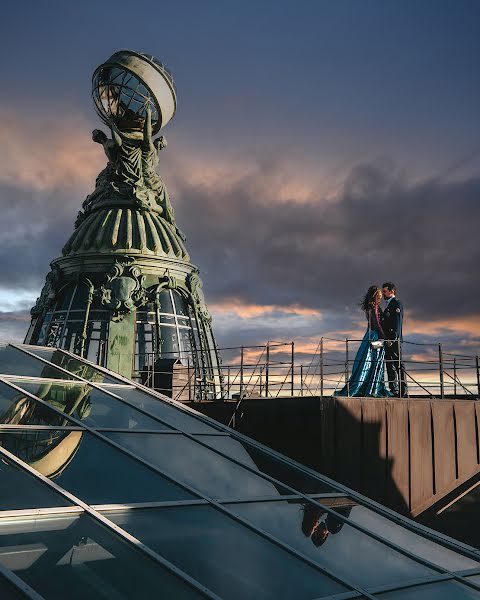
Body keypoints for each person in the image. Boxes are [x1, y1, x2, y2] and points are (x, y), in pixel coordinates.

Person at [334, 286, 393, 398]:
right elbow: (377, 324)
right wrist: (384, 338)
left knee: (367, 361)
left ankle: (366, 386)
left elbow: (371, 324)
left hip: (369, 335)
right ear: (375, 295)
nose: (380, 298)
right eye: (379, 296)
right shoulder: (374, 307)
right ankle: (372, 388)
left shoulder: (369, 307)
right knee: (374, 362)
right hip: (376, 336)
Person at [382, 282, 408, 397]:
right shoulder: (388, 304)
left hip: (394, 340)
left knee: (398, 365)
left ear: (391, 291)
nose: (383, 293)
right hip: (388, 341)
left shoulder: (396, 303)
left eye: (385, 291)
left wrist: (392, 339)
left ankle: (403, 390)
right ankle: (394, 390)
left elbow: (397, 323)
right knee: (389, 365)